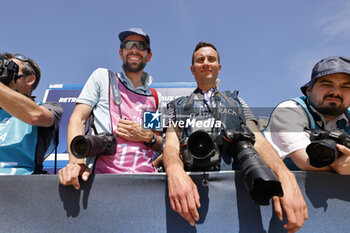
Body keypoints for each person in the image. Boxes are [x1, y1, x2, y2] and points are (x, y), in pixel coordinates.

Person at [162, 42, 308, 232]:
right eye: (200, 60)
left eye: (211, 59)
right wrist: (175, 172)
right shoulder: (174, 106)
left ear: (219, 67)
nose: (206, 63)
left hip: (240, 192)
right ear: (192, 69)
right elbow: (170, 146)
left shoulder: (238, 101)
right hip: (193, 189)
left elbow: (259, 141)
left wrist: (285, 176)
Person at [58, 28, 163, 189]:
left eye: (141, 46)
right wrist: (76, 163)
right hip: (102, 182)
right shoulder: (102, 77)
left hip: (146, 183)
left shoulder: (155, 97)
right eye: (128, 44)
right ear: (121, 52)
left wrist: (147, 135)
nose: (134, 49)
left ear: (149, 56)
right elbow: (78, 119)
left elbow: (158, 142)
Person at [264, 56, 350, 174]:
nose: (335, 92)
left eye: (346, 86)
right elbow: (306, 161)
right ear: (309, 90)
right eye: (326, 84)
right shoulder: (289, 110)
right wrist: (339, 166)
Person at [0, 53, 62, 175]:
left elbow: (35, 116)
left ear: (30, 80)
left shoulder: (49, 107)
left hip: (21, 183)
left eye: (11, 68)